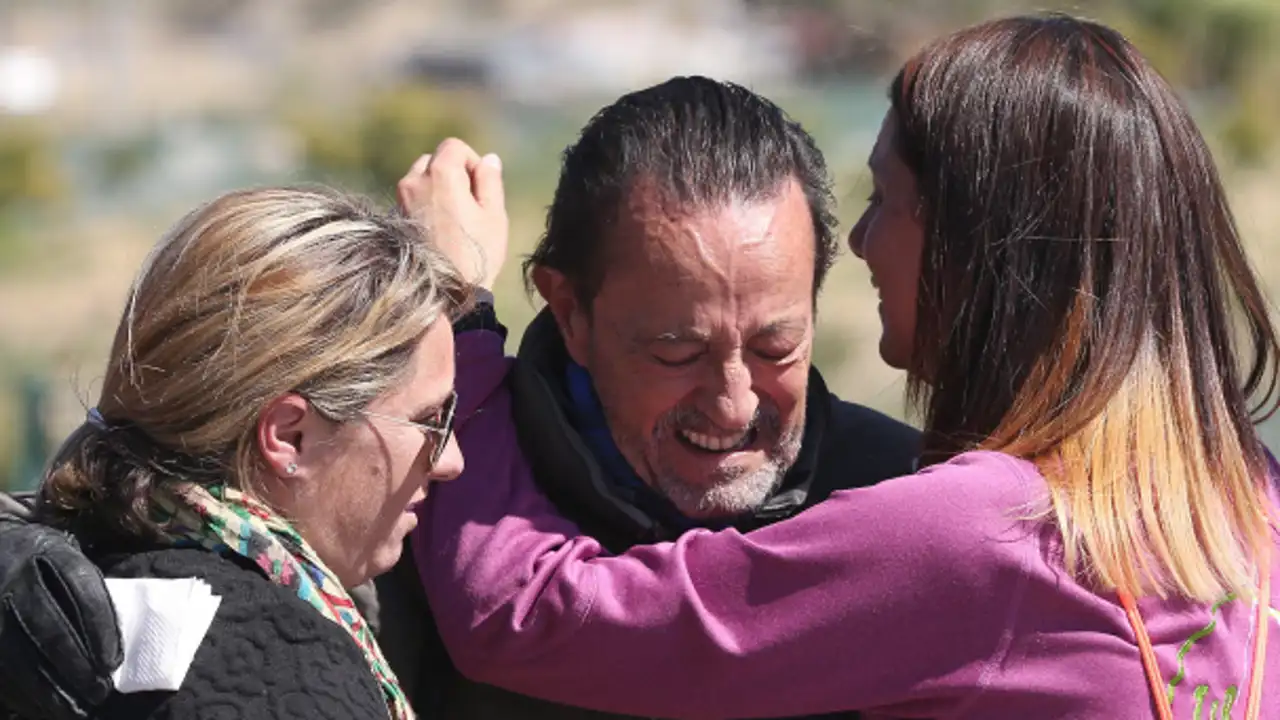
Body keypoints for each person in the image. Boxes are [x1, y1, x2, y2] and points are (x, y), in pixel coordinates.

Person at [415, 15, 1280, 719]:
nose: (863, 244)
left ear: (978, 253)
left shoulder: (981, 536)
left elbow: (524, 616)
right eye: (677, 350)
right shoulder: (1254, 502)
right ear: (566, 310)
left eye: (884, 201)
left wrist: (458, 312)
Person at [388, 78, 920, 719]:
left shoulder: (902, 499)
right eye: (677, 354)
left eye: (774, 348)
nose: (734, 406)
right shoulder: (414, 510)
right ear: (570, 312)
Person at [1, 185, 474, 720]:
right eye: (430, 422)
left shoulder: (85, 566)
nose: (450, 459)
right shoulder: (284, 674)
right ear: (289, 436)